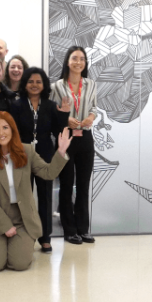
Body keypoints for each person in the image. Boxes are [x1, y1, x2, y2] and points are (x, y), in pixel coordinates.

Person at [0, 112, 71, 271]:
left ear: (12, 129)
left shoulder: (27, 151)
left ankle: (21, 245)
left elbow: (48, 173)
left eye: (5, 127)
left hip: (22, 218)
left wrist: (60, 152)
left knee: (19, 264)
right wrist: (5, 226)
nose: (1, 133)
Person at [11, 68, 70, 252]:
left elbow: (58, 131)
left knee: (45, 197)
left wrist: (64, 114)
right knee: (24, 197)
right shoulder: (16, 105)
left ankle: (46, 237)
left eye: (38, 82)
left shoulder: (51, 106)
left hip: (45, 156)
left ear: (44, 85)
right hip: (22, 156)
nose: (34, 85)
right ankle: (26, 235)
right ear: (24, 84)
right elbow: (12, 133)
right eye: (30, 81)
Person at [49, 46, 98, 245]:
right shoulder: (57, 87)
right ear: (67, 61)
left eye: (82, 59)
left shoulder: (91, 84)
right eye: (74, 58)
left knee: (84, 186)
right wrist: (65, 120)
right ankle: (69, 230)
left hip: (85, 138)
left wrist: (91, 117)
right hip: (66, 139)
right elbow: (52, 113)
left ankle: (83, 229)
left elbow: (94, 107)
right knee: (67, 186)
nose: (78, 62)